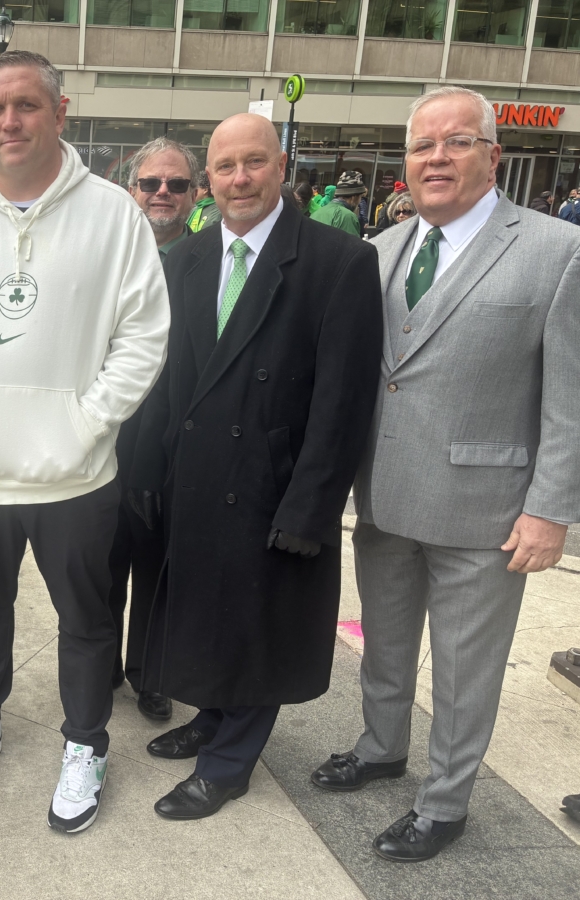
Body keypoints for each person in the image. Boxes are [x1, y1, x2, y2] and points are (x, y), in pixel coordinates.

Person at [0, 50, 169, 834]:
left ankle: (85, 743)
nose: (9, 121)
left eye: (26, 105)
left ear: (59, 112)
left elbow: (143, 335)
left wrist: (87, 422)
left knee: (86, 618)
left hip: (76, 474)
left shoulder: (114, 214)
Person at [310, 85, 580, 863]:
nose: (437, 157)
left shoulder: (556, 251)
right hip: (384, 495)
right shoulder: (380, 250)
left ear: (493, 155)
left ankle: (445, 803)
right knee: (385, 643)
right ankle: (381, 747)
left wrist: (551, 509)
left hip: (486, 508)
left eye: (457, 141)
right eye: (423, 145)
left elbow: (570, 395)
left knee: (465, 670)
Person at [133, 113, 383, 822]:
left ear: (281, 167)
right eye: (224, 166)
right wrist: (147, 471)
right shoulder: (186, 258)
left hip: (273, 484)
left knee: (254, 622)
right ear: (208, 179)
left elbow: (342, 403)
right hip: (195, 474)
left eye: (253, 163)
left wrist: (312, 506)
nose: (238, 179)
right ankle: (214, 716)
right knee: (209, 613)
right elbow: (166, 380)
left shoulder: (339, 261)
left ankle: (229, 764)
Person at [113, 136, 198, 723]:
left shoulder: (213, 260)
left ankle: (149, 673)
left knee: (156, 570)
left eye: (176, 184)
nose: (161, 193)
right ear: (132, 189)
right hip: (105, 440)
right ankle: (98, 666)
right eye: (150, 183)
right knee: (100, 566)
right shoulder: (107, 253)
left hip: (173, 448)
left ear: (195, 194)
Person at [310, 170, 366, 236]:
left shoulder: (317, 213)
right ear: (354, 197)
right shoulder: (348, 217)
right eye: (360, 197)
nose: (360, 201)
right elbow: (352, 242)